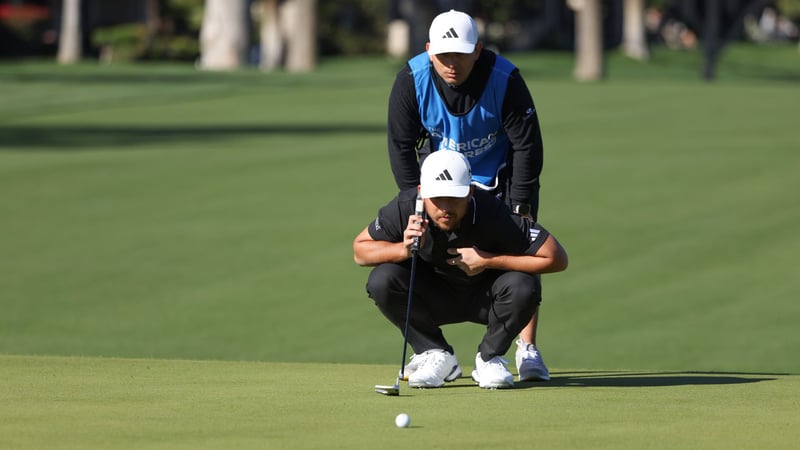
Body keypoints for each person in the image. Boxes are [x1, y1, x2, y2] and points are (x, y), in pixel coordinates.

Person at [386, 9, 550, 381]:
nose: (452, 63)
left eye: (460, 53)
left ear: (477, 50)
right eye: (444, 55)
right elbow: (400, 147)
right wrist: (417, 199)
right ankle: (433, 352)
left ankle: (526, 349)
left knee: (521, 253)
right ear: (429, 51)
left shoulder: (505, 78)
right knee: (424, 251)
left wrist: (521, 203)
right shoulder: (412, 80)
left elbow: (527, 146)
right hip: (442, 184)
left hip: (502, 179)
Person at [353, 151, 567, 389]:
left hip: (487, 299)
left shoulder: (493, 212)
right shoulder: (406, 208)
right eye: (437, 198)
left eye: (454, 197)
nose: (445, 208)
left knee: (524, 285)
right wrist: (402, 249)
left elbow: (556, 258)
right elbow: (360, 251)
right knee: (382, 279)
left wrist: (487, 260)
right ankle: (436, 353)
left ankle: (489, 358)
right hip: (434, 297)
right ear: (422, 192)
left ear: (470, 192)